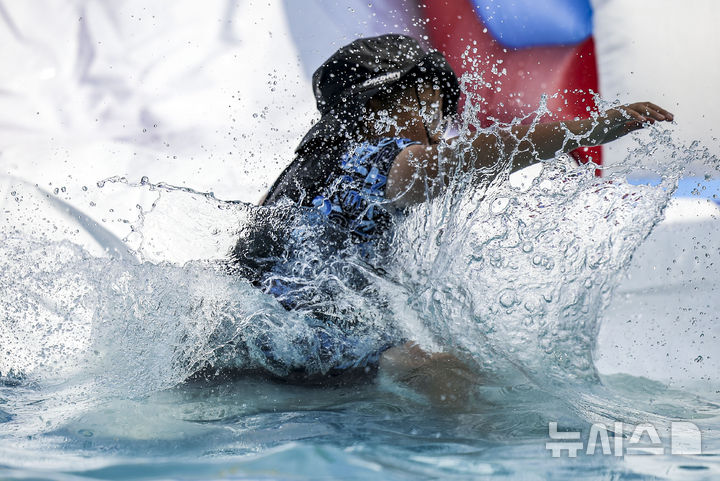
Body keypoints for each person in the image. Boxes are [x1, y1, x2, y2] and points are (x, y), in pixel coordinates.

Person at [231, 35, 673, 396]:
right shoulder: (370, 158)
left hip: (256, 338)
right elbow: (452, 164)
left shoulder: (311, 171)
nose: (440, 123)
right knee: (450, 374)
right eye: (429, 103)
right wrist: (589, 128)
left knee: (461, 368)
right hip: (299, 339)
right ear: (374, 108)